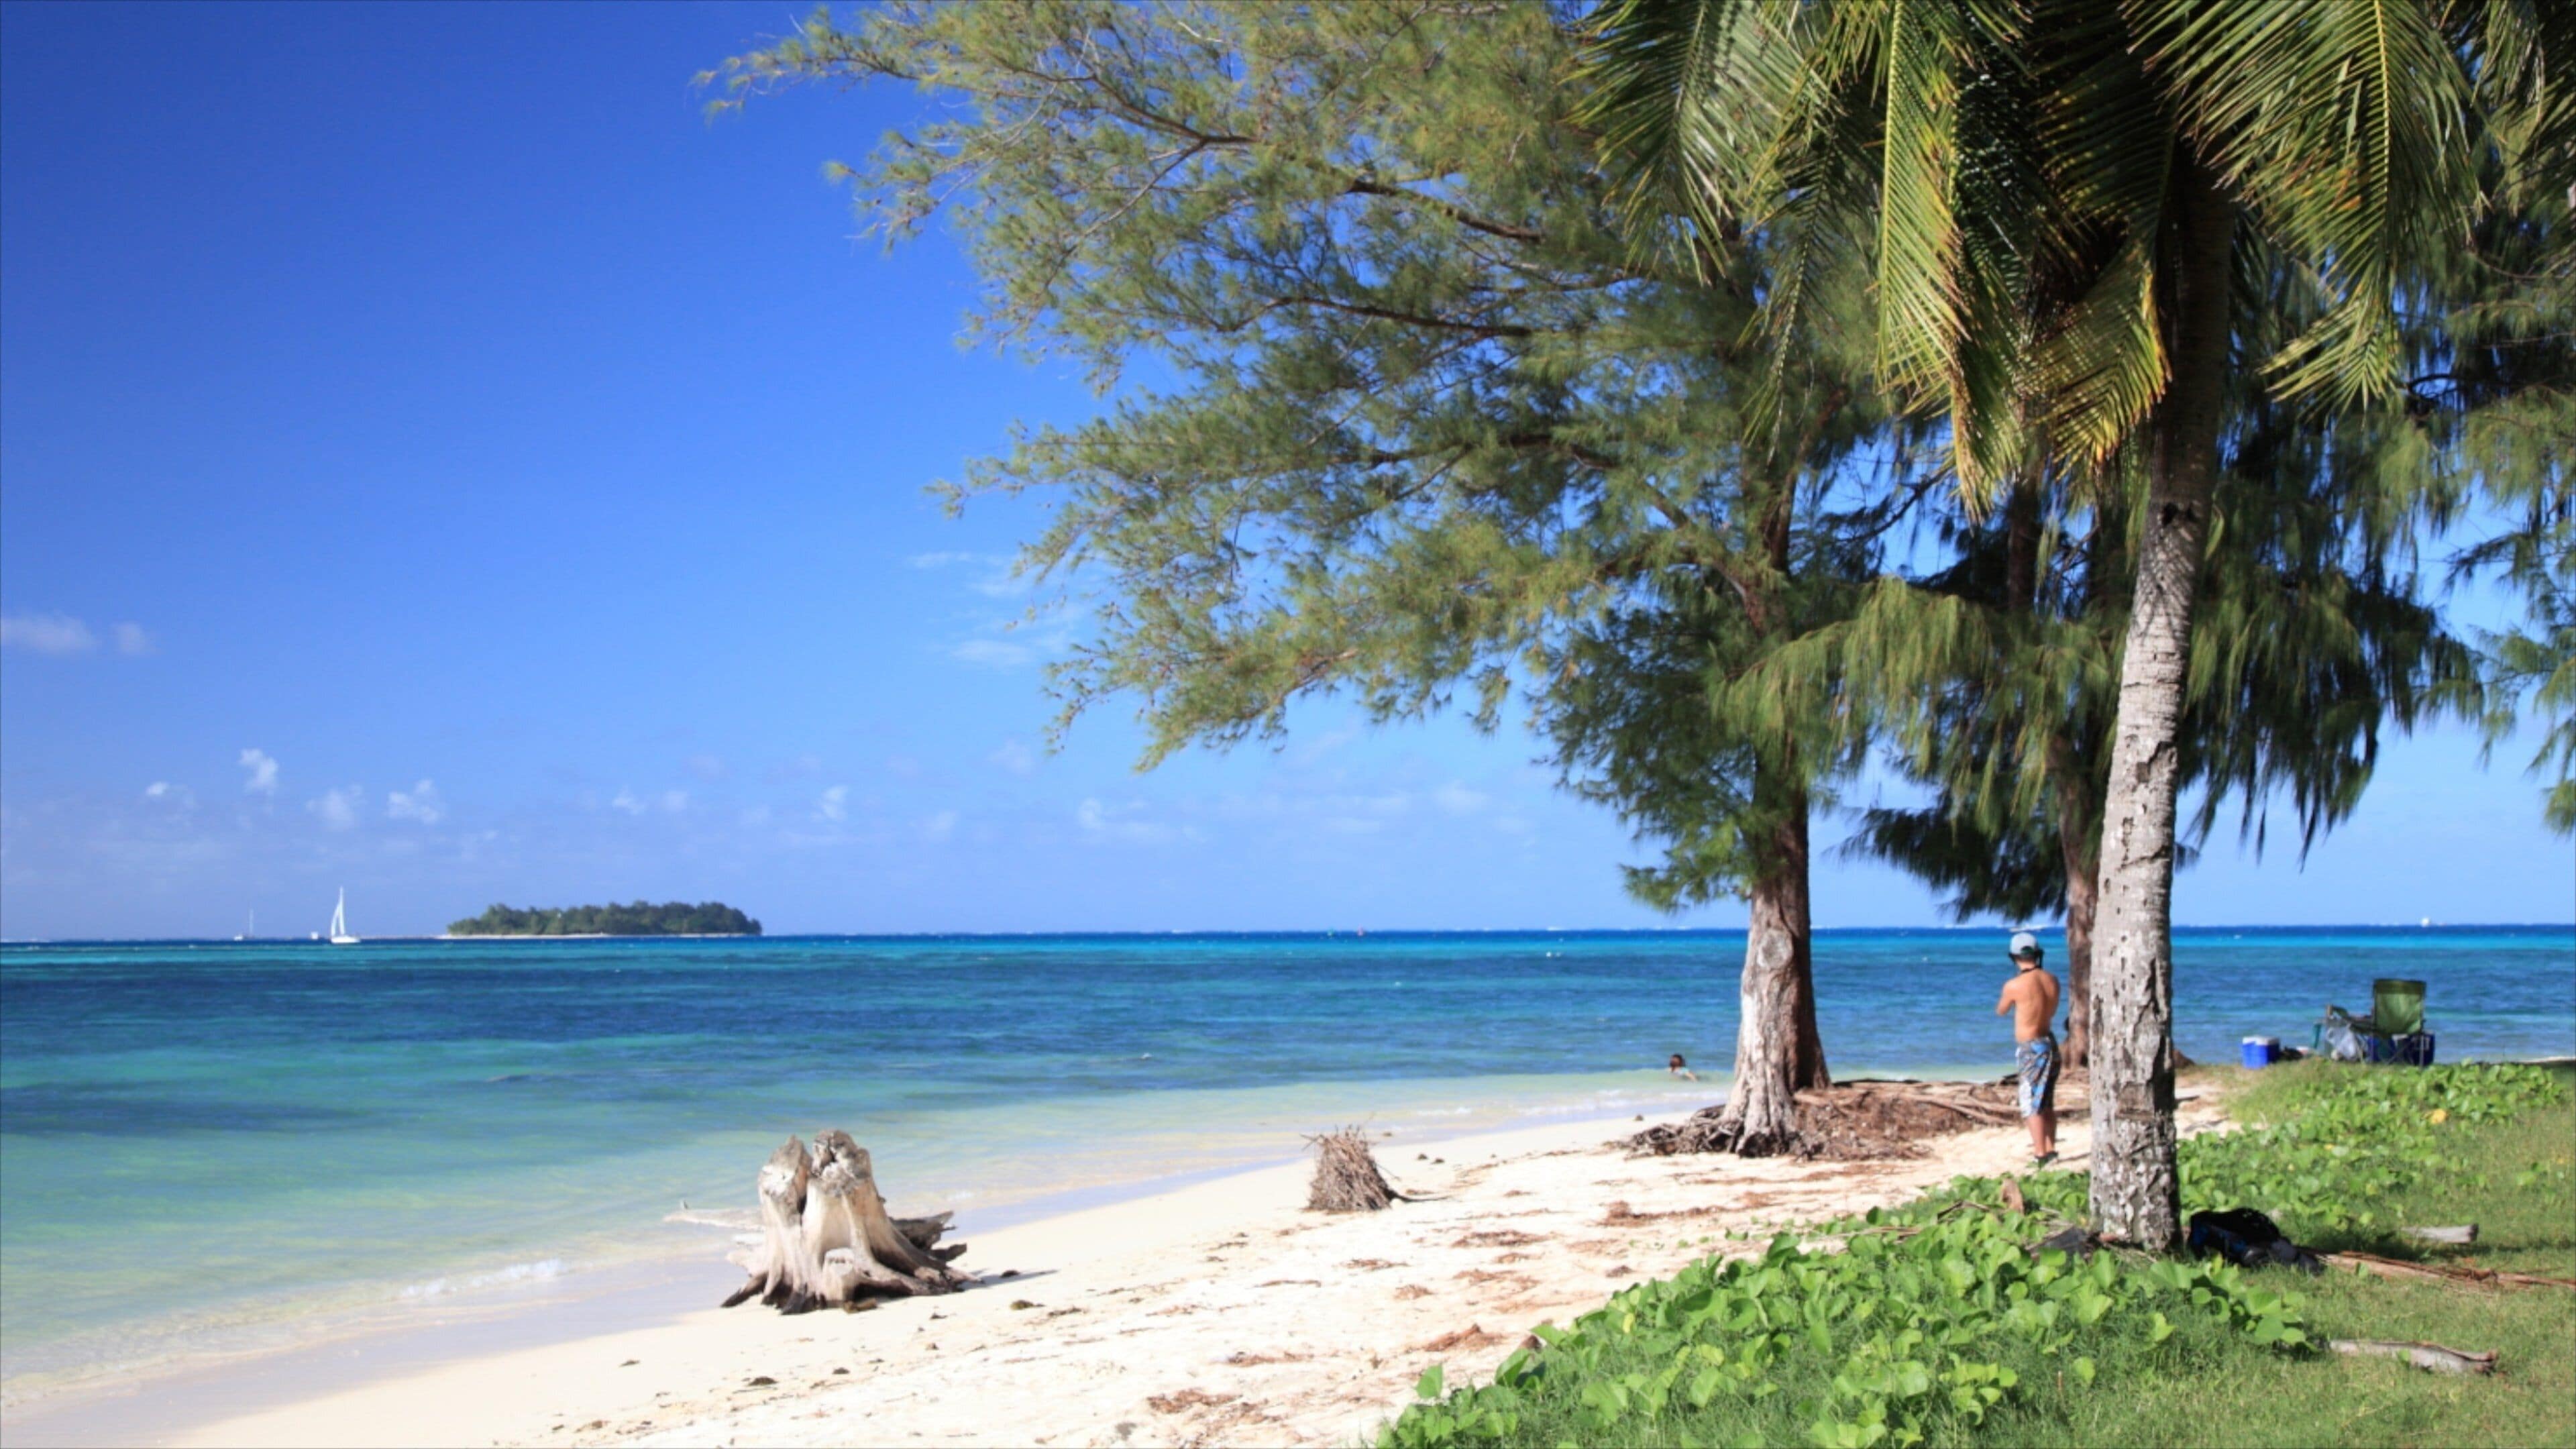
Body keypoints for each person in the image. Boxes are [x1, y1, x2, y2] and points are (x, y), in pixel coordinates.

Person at [1993, 930, 2061, 1167]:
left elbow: (2001, 1010)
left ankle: (2041, 1153)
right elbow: (2049, 1010)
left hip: (2032, 1048)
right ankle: (2051, 1147)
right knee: (2047, 1101)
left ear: (2014, 957)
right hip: (2050, 1042)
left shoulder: (2014, 986)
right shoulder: (2052, 980)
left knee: (2031, 1101)